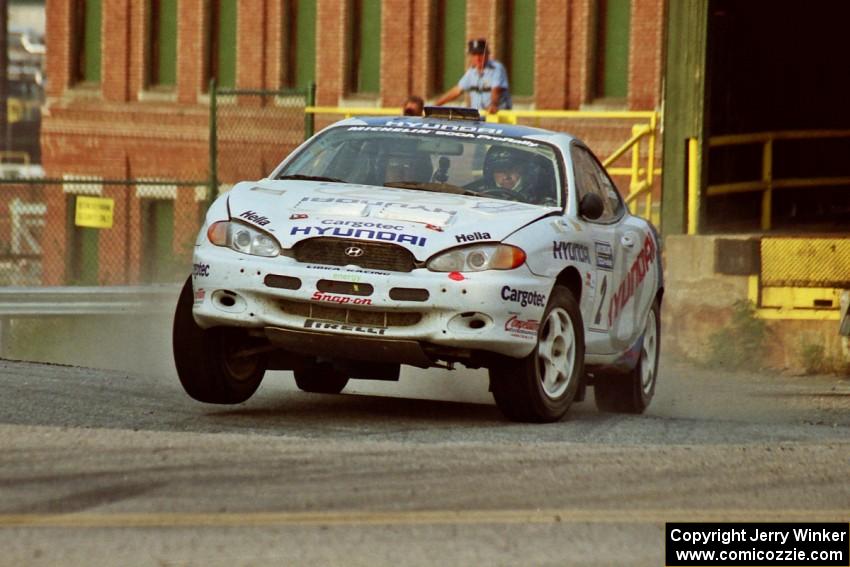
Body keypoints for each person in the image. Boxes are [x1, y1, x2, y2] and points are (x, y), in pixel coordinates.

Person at [433, 38, 512, 114]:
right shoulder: (471, 72)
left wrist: (493, 104)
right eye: (474, 54)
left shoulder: (497, 68)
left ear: (487, 54)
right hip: (480, 118)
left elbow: (496, 90)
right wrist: (435, 105)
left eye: (480, 54)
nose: (477, 58)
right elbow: (456, 91)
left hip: (497, 116)